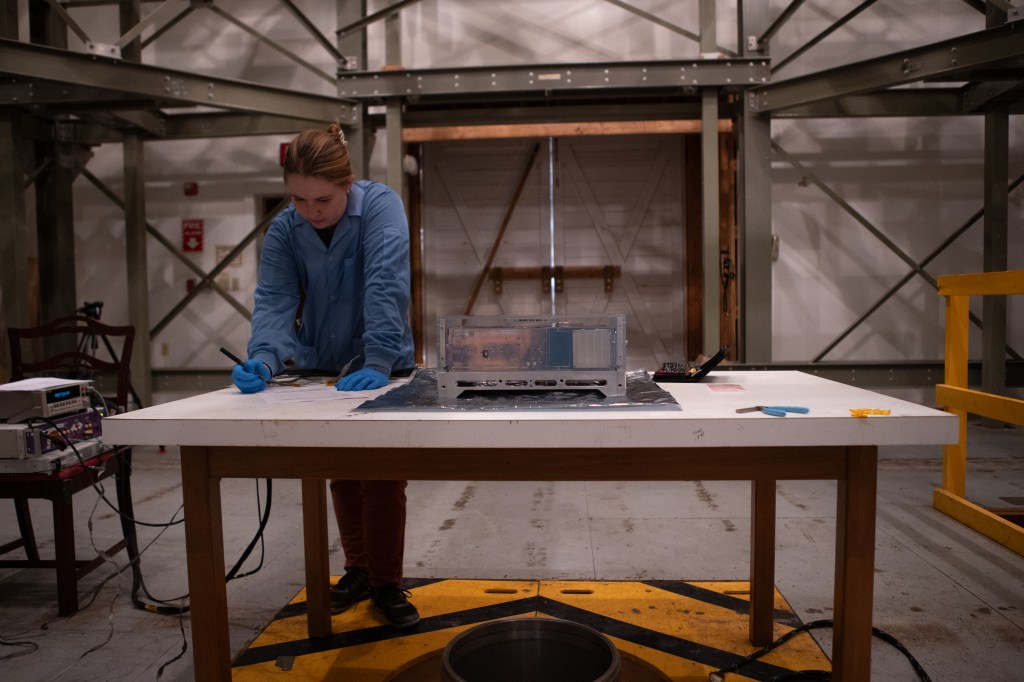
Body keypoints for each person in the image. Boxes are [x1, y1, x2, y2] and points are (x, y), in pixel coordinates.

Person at [231, 123, 419, 629]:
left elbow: (386, 280)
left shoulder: (381, 208)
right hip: (323, 366)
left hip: (382, 366)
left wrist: (379, 358)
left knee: (380, 476)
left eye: (323, 200)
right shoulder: (285, 230)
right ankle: (357, 570)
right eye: (298, 199)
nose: (311, 212)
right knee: (341, 471)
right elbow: (274, 298)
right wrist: (265, 359)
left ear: (349, 183)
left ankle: (387, 583)